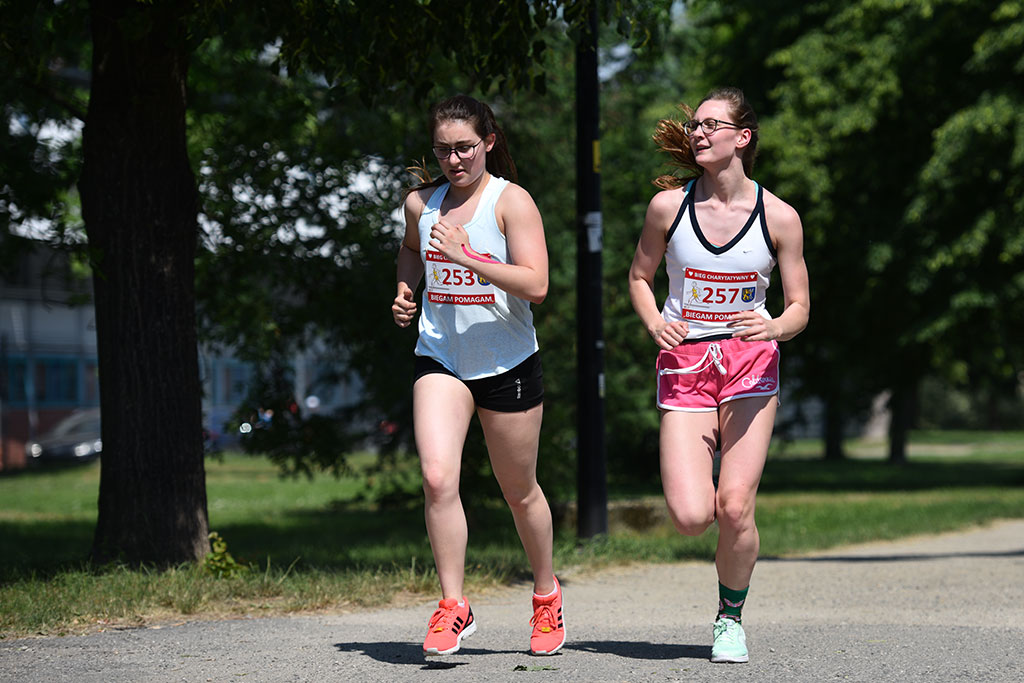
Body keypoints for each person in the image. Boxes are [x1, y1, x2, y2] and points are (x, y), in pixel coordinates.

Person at [627, 87, 810, 664]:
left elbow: (800, 307)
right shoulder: (668, 208)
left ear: (742, 137)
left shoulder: (778, 216)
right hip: (685, 365)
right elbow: (639, 276)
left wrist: (773, 326)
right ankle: (727, 569)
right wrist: (656, 320)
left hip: (749, 365)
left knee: (734, 505)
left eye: (712, 125)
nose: (699, 133)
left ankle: (729, 617)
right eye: (696, 126)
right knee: (688, 516)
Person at [391, 94, 565, 658]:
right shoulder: (422, 203)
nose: (455, 160)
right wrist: (405, 290)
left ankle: (545, 595)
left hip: (506, 362)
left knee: (520, 491)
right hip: (441, 357)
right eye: (444, 150)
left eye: (466, 147)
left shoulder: (510, 203)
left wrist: (467, 258)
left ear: (488, 141)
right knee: (439, 478)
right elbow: (410, 251)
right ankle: (452, 605)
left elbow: (536, 285)